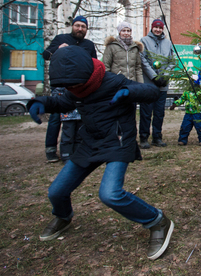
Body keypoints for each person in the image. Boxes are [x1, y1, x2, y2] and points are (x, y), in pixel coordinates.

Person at [28, 46, 174, 261]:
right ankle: (63, 216)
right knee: (56, 192)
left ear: (87, 76)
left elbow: (151, 92)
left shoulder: (113, 81)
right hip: (90, 143)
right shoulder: (77, 88)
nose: (72, 88)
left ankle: (157, 221)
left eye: (74, 85)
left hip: (118, 141)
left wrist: (129, 92)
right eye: (68, 86)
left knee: (110, 194)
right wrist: (41, 102)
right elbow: (64, 102)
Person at [42, 16, 97, 163]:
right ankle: (51, 150)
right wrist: (58, 50)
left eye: (83, 27)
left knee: (78, 119)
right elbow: (46, 55)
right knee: (56, 118)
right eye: (77, 26)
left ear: (86, 29)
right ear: (72, 26)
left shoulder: (88, 45)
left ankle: (75, 150)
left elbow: (94, 64)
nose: (80, 29)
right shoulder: (61, 39)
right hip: (60, 86)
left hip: (80, 87)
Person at [139, 19, 175, 149]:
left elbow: (172, 61)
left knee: (159, 112)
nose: (158, 30)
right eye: (156, 28)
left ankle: (157, 137)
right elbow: (143, 61)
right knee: (146, 112)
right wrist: (154, 77)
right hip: (149, 83)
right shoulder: (144, 41)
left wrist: (165, 75)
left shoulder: (168, 42)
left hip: (163, 84)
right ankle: (143, 137)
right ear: (152, 28)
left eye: (160, 28)